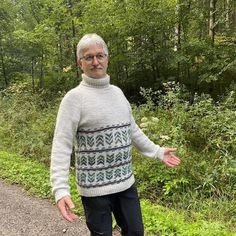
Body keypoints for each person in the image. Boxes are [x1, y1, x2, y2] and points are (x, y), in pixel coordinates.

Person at [50, 33, 180, 236]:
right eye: (89, 57)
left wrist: (157, 151)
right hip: (94, 190)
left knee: (136, 232)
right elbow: (61, 145)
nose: (95, 61)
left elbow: (132, 130)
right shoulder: (73, 99)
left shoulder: (118, 93)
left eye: (100, 55)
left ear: (107, 58)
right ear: (80, 63)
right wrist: (60, 189)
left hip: (125, 183)